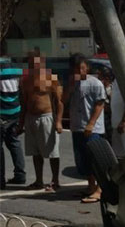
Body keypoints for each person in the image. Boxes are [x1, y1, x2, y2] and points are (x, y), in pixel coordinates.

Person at [66, 53, 107, 203]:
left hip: (92, 129)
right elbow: (64, 100)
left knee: (95, 159)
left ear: (87, 68)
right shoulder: (73, 83)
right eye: (76, 69)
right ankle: (90, 186)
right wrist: (69, 87)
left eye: (82, 68)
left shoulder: (95, 83)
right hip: (77, 127)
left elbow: (100, 104)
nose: (79, 71)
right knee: (83, 160)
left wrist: (91, 123)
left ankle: (100, 189)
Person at [19, 52, 63, 191]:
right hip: (31, 118)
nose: (34, 66)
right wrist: (21, 124)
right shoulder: (25, 80)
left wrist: (58, 121)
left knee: (52, 152)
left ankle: (55, 180)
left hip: (47, 117)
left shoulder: (51, 78)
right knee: (35, 151)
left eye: (36, 63)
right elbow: (23, 102)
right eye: (31, 64)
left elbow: (59, 102)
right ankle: (39, 180)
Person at [1, 57, 26, 188]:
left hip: (2, 112)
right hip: (16, 111)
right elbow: (21, 90)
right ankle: (20, 175)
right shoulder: (17, 67)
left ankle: (1, 179)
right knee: (14, 142)